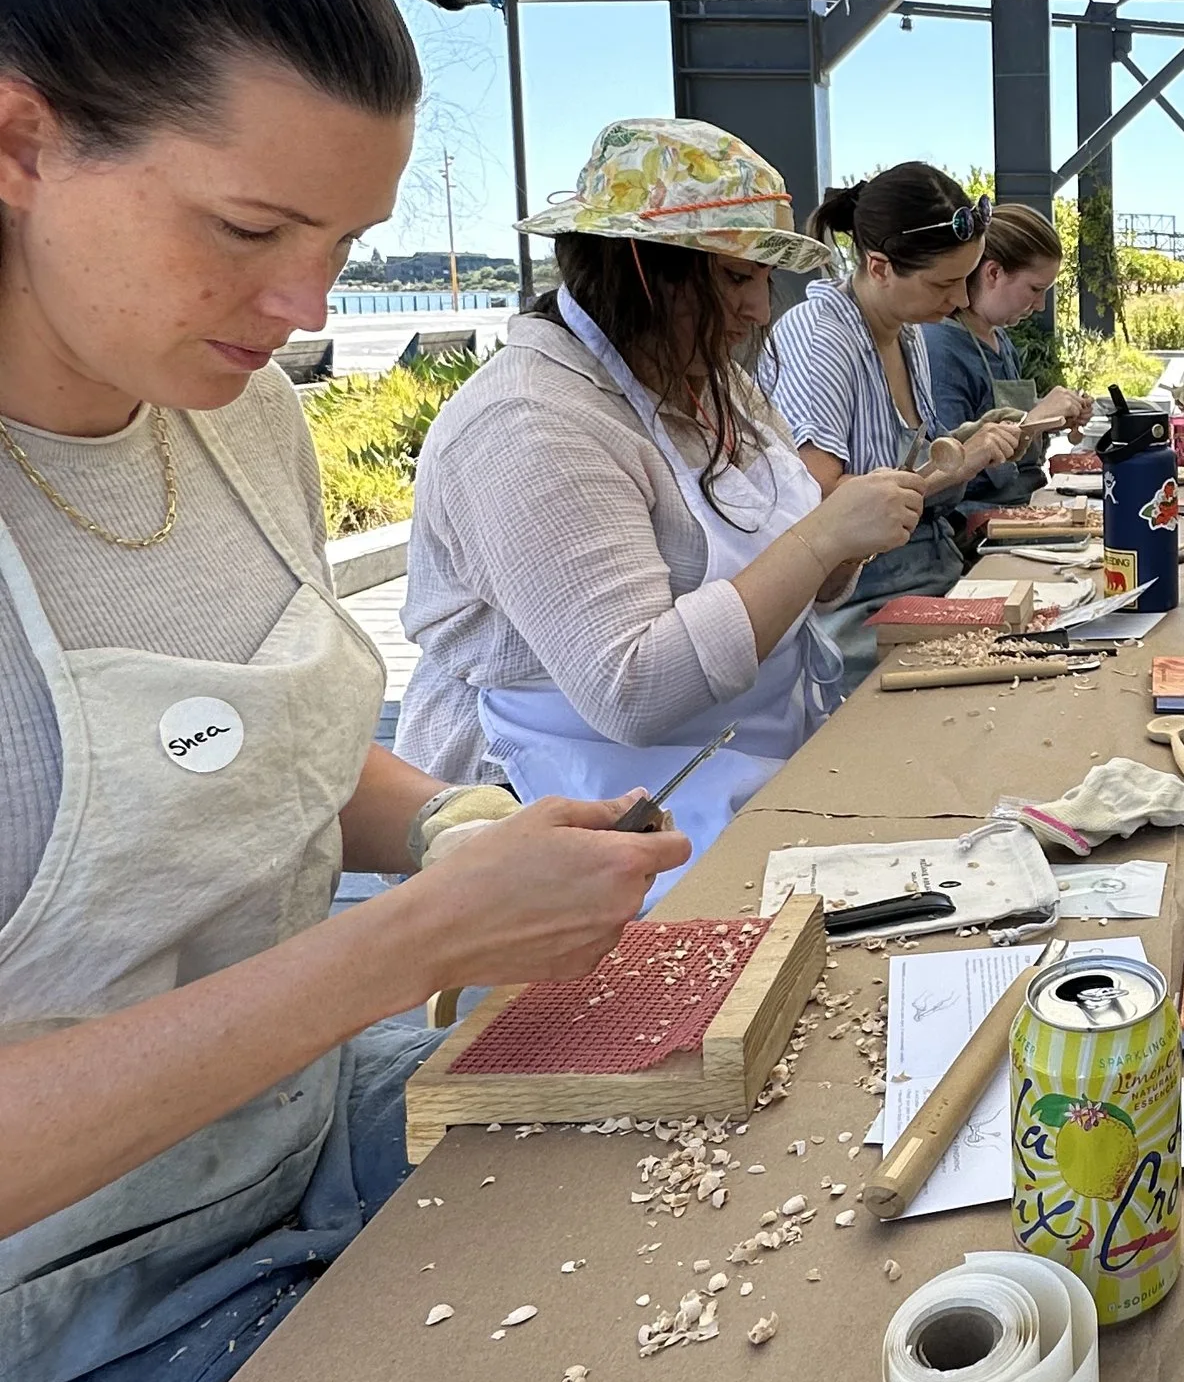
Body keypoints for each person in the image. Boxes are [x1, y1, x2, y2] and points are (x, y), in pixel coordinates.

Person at [0, 0, 668, 1382]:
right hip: (55, 1336)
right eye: (247, 231)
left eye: (347, 246)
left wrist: (452, 827)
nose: (305, 310)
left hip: (311, 1146)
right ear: (16, 139)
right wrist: (406, 951)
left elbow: (273, 750)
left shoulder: (235, 423)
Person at [396, 119, 925, 881]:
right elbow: (633, 688)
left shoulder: (710, 379)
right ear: (646, 272)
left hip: (752, 751)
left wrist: (844, 547)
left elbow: (789, 576)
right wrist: (819, 540)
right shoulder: (530, 422)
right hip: (598, 802)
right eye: (736, 279)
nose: (759, 311)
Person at [762, 162, 1027, 636]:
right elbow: (819, 501)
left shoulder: (907, 335)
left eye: (965, 280)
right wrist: (960, 463)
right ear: (880, 267)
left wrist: (969, 441)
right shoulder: (820, 337)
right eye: (943, 284)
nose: (962, 301)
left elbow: (911, 470)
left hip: (928, 579)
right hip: (856, 608)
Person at [922, 201, 1094, 513]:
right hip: (975, 519)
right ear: (993, 273)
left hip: (1023, 500)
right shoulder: (941, 349)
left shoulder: (998, 338)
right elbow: (947, 469)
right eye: (1034, 288)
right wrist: (1035, 418)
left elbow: (1003, 424)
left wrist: (1053, 419)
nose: (1041, 305)